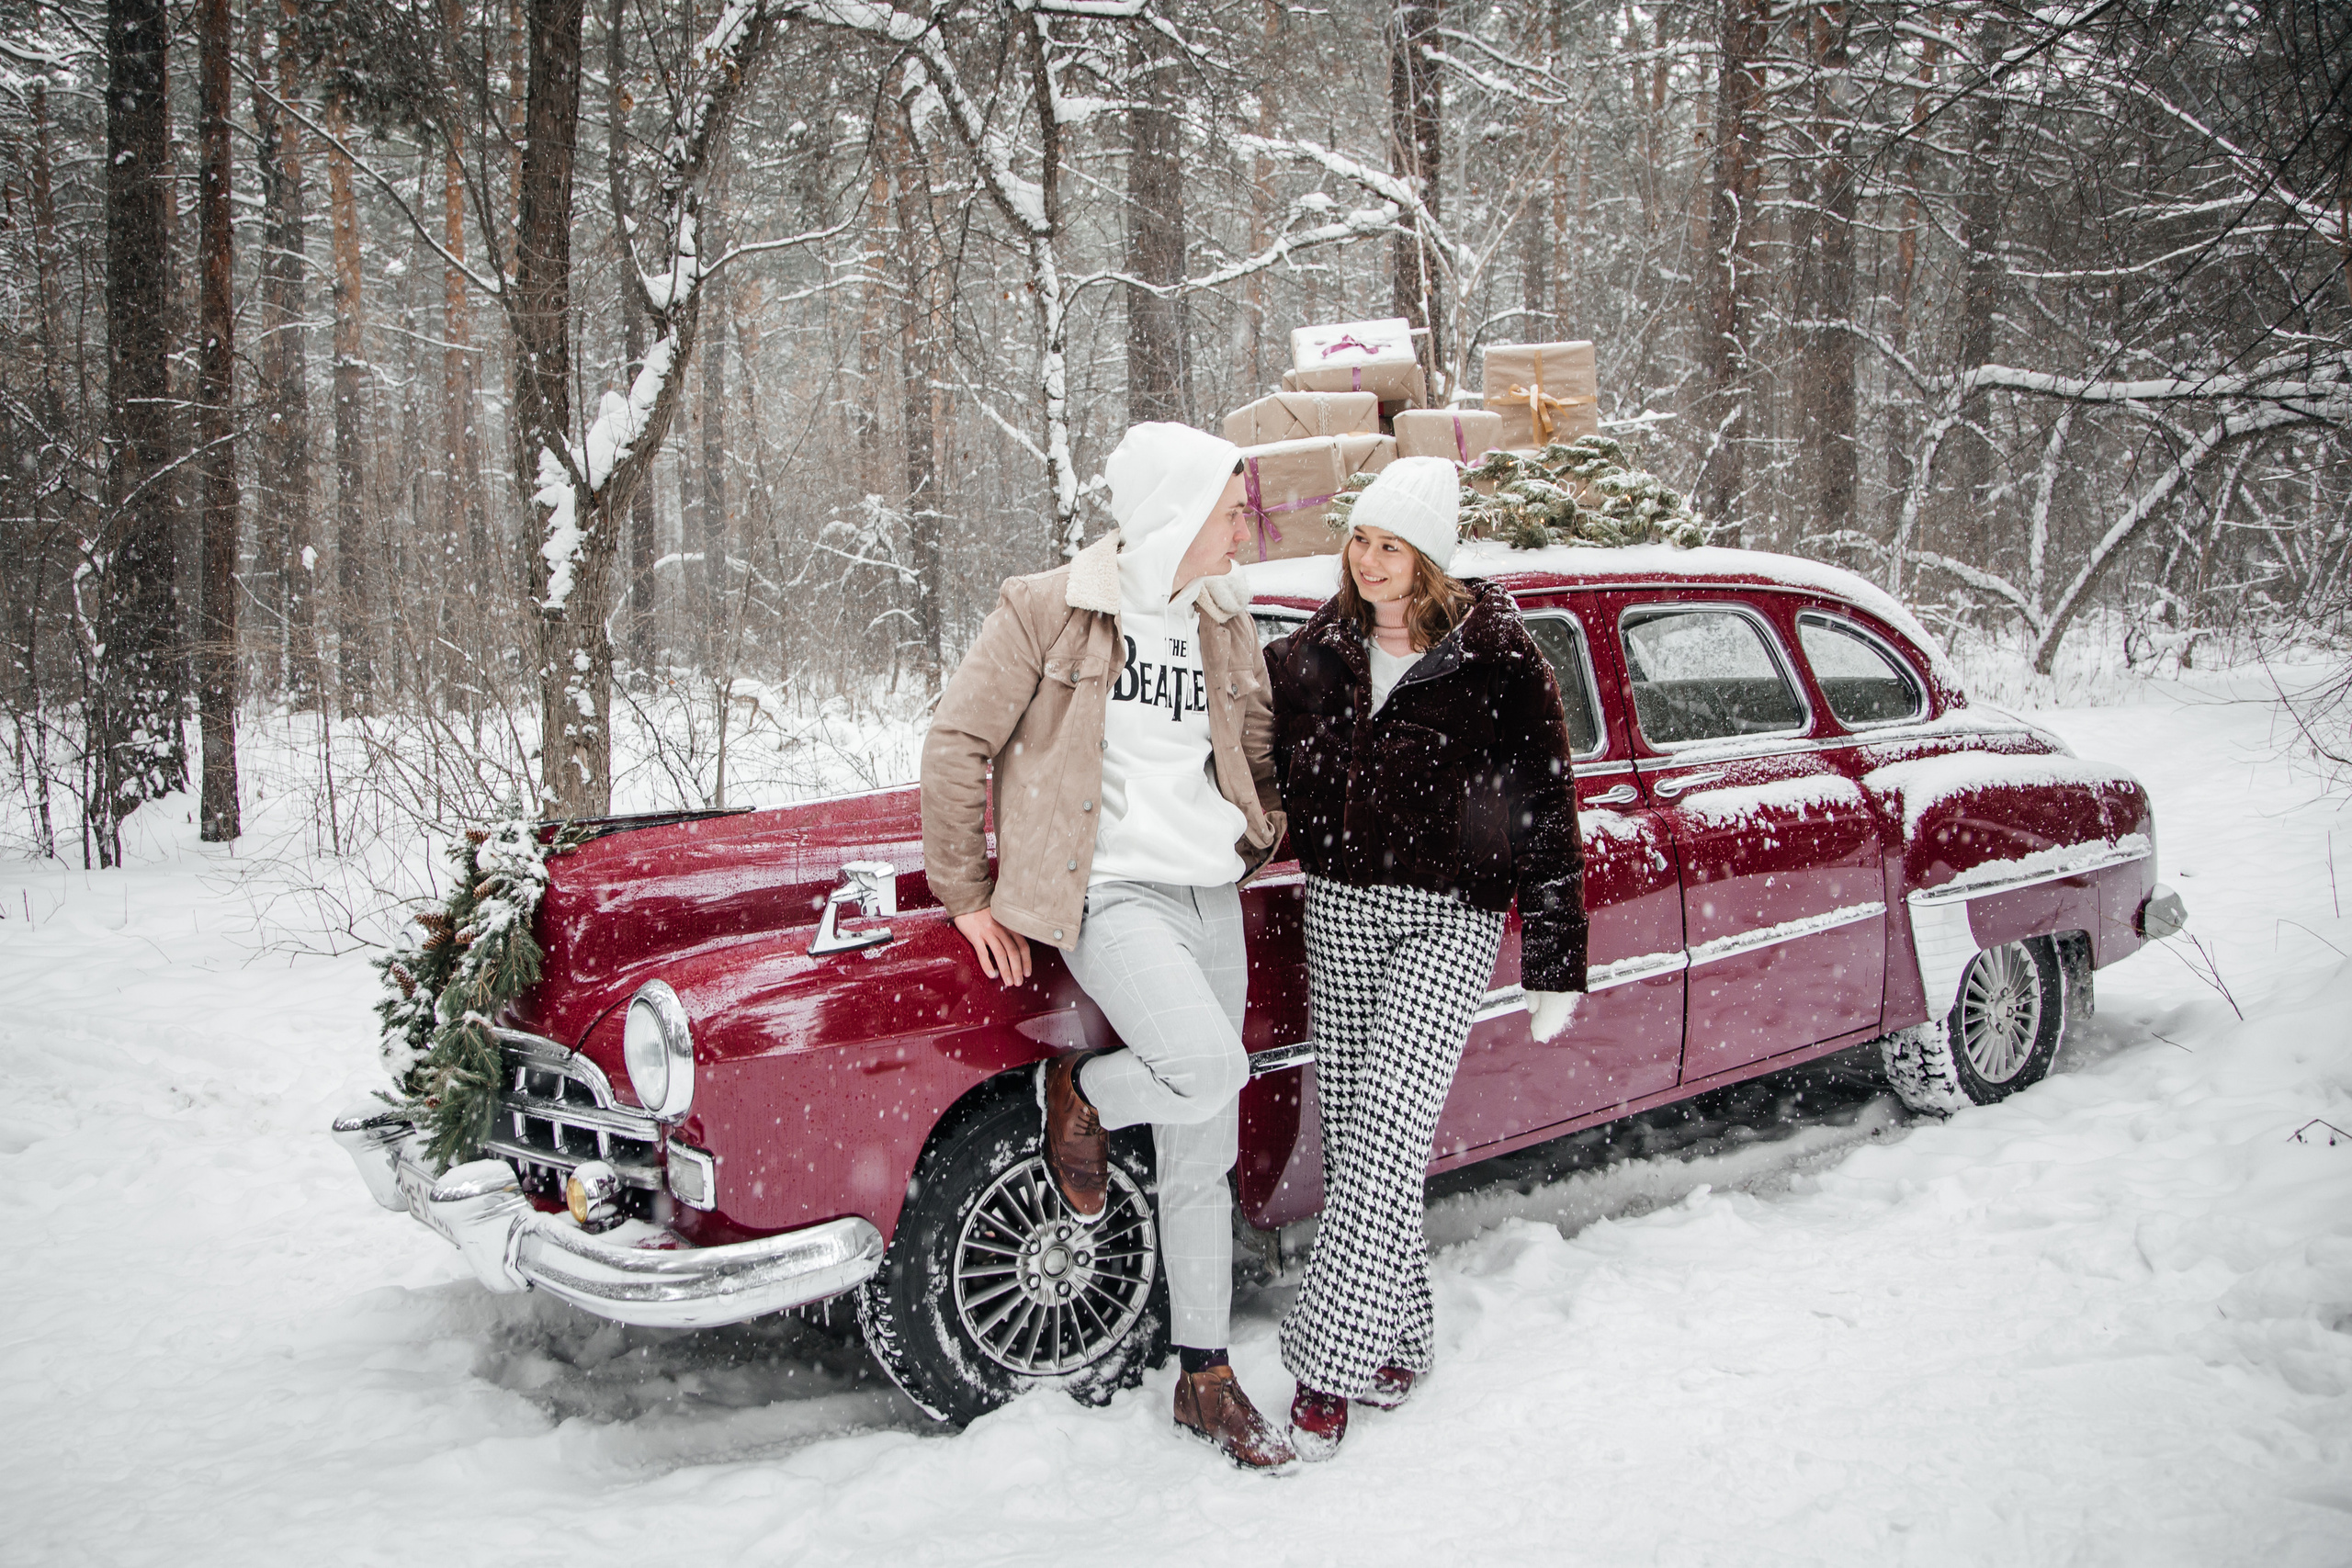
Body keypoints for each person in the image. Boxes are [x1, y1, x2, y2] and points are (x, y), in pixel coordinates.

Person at [920, 422, 1297, 1472]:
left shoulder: (1224, 615)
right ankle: (1079, 1095)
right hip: (1109, 892)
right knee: (1206, 1068)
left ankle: (1205, 1377)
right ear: (1178, 510)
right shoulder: (1050, 608)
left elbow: (1260, 747)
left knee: (1203, 1148)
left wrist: (1284, 812)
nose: (1242, 526)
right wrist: (965, 892)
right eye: (1230, 508)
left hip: (1208, 890)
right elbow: (958, 739)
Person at [1262, 455, 1588, 1461]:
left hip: (1449, 916)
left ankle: (1326, 1371)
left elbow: (1546, 803)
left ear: (1430, 557)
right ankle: (1403, 1337)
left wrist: (1552, 961)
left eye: (1390, 545)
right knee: (1363, 1136)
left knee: (1391, 1128)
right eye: (1358, 539)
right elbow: (1249, 759)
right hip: (1342, 909)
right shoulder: (1313, 652)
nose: (1367, 560)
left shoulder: (1497, 659)